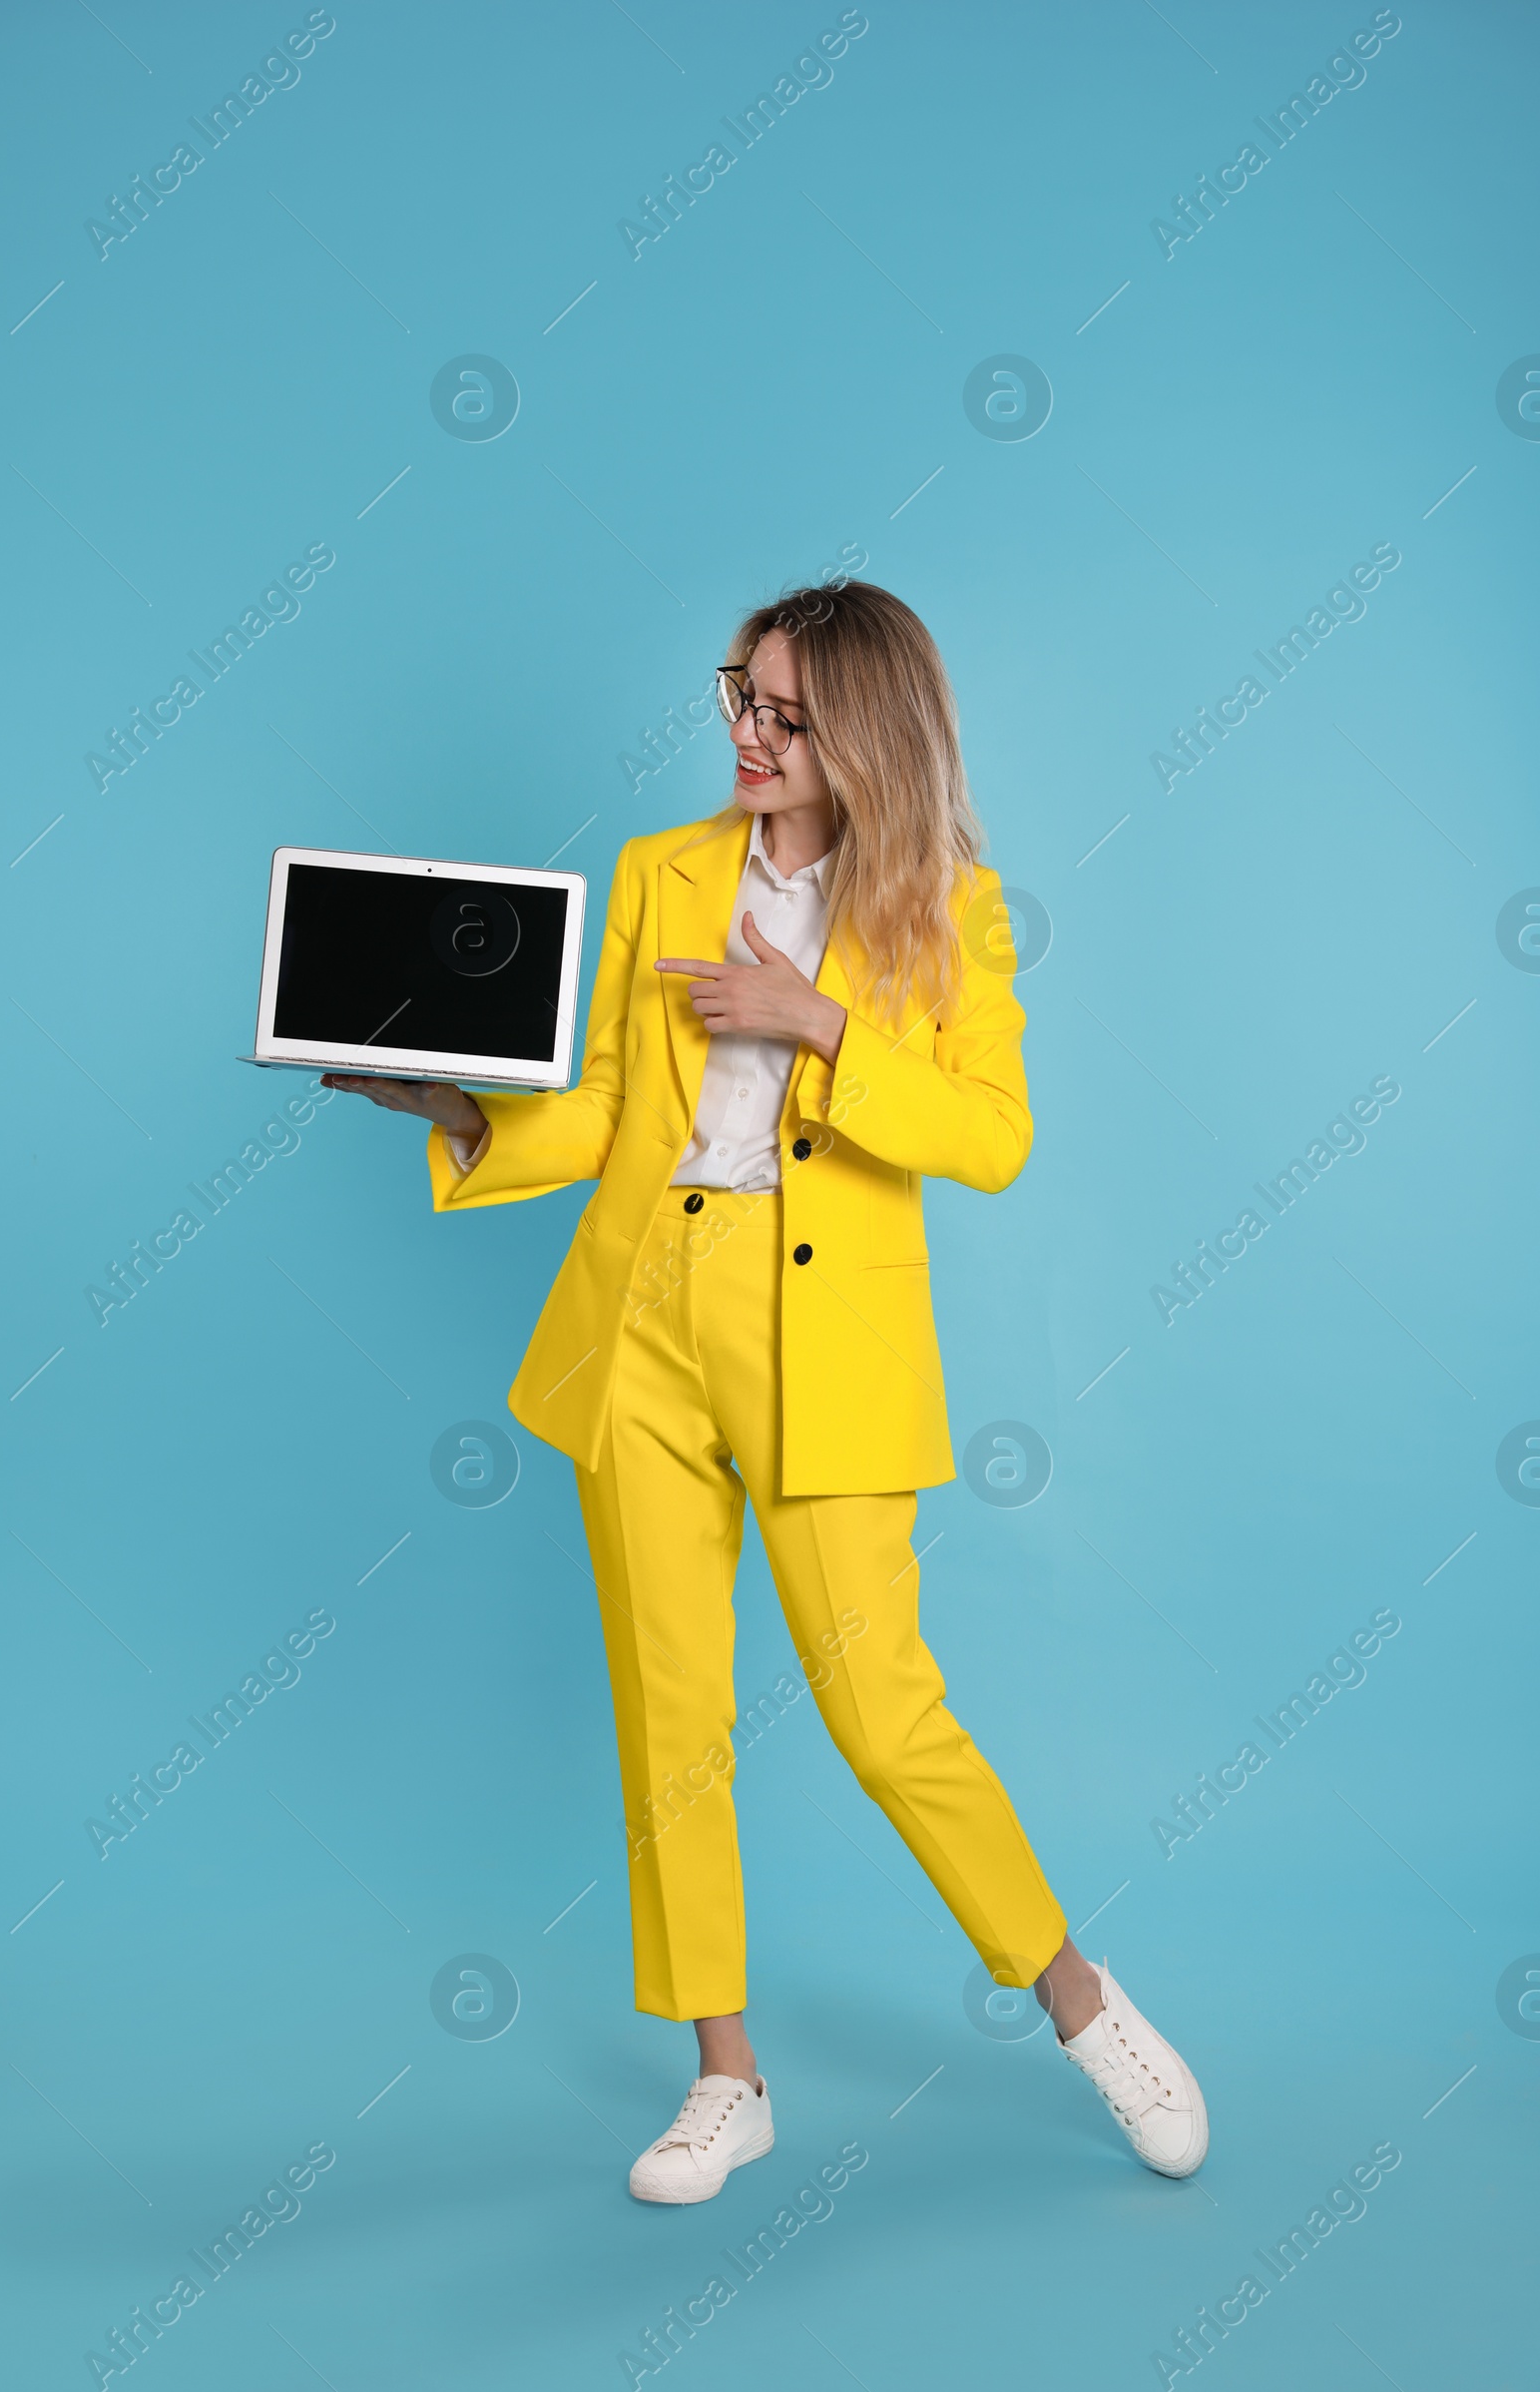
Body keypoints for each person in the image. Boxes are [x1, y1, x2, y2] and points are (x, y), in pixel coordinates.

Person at [323, 580, 1208, 2200]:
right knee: (674, 1720)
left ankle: (1086, 2006)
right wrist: (450, 1109)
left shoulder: (948, 903)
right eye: (743, 693)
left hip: (826, 1348)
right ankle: (726, 2077)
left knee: (886, 1716)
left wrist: (817, 1026)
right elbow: (597, 1113)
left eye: (786, 711)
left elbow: (992, 1137)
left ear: (863, 726)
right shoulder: (663, 871)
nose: (749, 729)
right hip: (641, 1322)